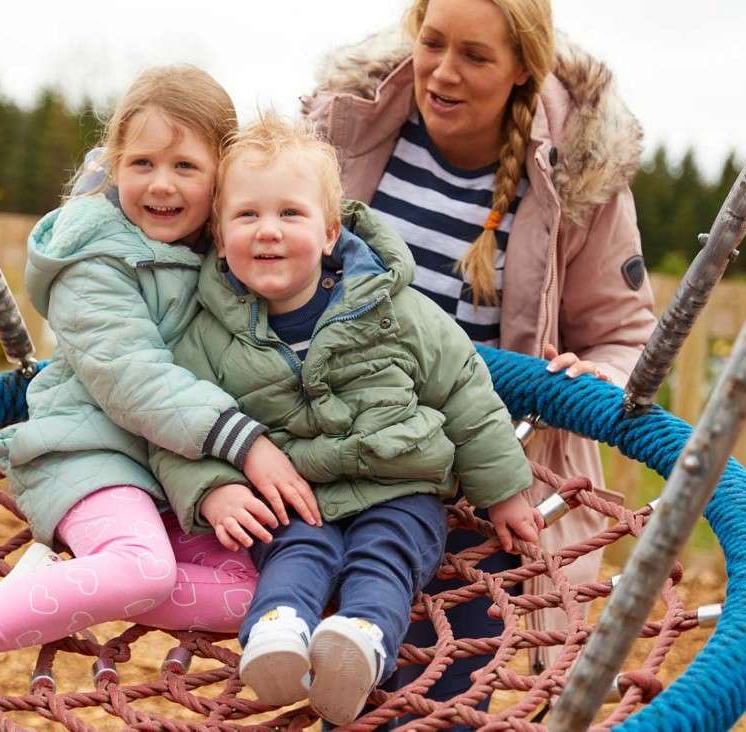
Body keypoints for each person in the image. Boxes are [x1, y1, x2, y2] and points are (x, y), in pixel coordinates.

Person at [0, 65, 323, 704]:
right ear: (114, 164)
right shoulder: (93, 257)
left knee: (259, 592)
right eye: (142, 163)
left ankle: (72, 581)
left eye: (185, 167)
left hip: (169, 469)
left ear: (221, 173)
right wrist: (244, 445)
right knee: (143, 568)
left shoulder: (222, 250)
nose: (161, 184)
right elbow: (133, 378)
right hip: (86, 452)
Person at [301, 0, 656, 714]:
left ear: (525, 66)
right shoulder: (351, 133)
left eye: (476, 56)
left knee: (437, 699)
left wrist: (598, 378)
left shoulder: (576, 179)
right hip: (333, 462)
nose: (443, 73)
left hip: (478, 492)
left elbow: (624, 331)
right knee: (338, 683)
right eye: (432, 43)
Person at [150, 113, 542, 726]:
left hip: (400, 484)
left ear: (330, 232)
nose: (269, 232)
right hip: (293, 495)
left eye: (291, 214)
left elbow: (466, 392)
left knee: (387, 556)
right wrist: (215, 488)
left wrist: (506, 493)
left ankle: (360, 641)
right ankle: (277, 633)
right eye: (247, 216)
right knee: (293, 554)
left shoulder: (395, 308)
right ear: (220, 239)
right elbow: (175, 420)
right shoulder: (206, 332)